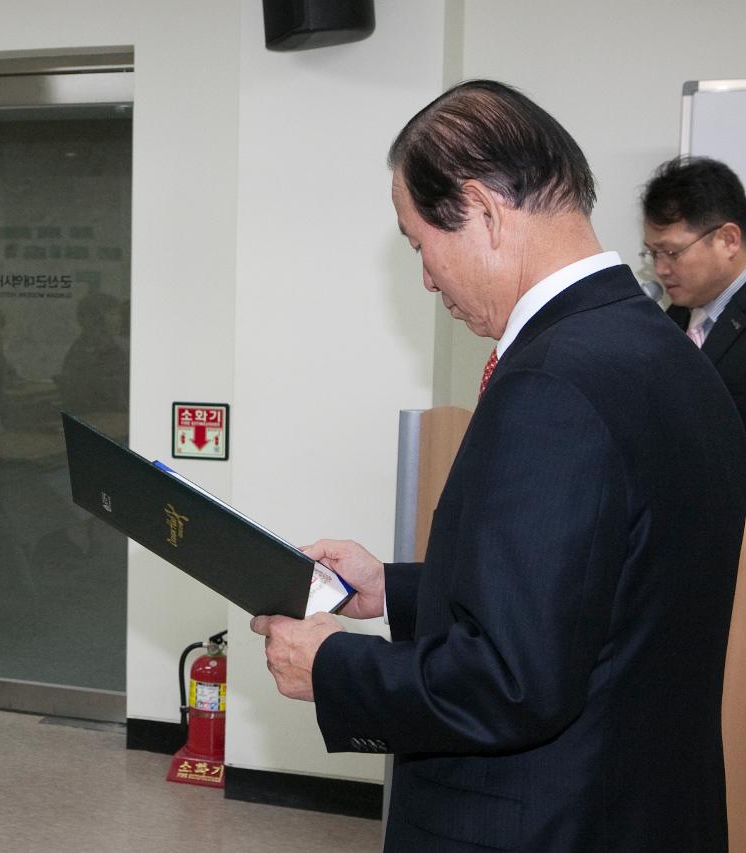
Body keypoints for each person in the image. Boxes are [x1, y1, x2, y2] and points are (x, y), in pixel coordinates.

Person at [250, 80, 746, 852]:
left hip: (539, 821)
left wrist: (334, 668)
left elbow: (513, 681)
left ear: (482, 209)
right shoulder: (668, 357)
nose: (425, 278)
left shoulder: (553, 381)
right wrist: (391, 589)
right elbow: (599, 592)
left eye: (421, 244)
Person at [641, 156, 746, 423]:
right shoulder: (671, 318)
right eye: (653, 253)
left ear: (728, 240)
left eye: (672, 252)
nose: (661, 269)